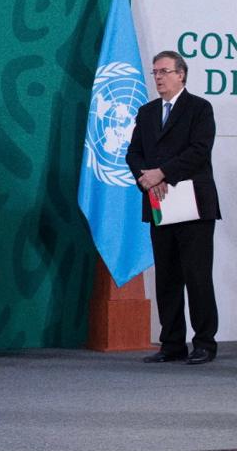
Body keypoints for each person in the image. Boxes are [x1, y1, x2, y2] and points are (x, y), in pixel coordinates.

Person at [126, 50, 219, 365]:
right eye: (155, 72)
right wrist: (147, 178)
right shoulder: (147, 112)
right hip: (159, 201)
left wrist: (162, 173)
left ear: (181, 74)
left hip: (193, 204)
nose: (158, 77)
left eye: (164, 71)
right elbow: (133, 153)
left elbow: (199, 150)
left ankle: (204, 342)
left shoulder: (199, 108)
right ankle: (172, 343)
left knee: (197, 275)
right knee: (166, 277)